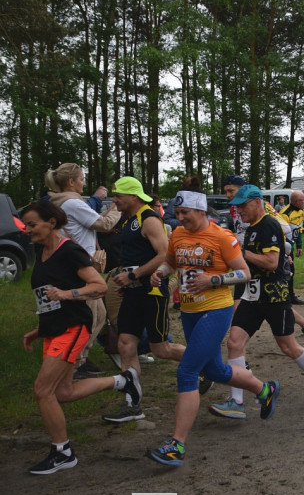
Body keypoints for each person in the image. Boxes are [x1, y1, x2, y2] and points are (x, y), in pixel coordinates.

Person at [145, 189, 280, 466]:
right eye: (178, 213)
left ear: (201, 212)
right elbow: (171, 261)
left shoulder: (222, 237)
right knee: (214, 370)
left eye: (186, 213)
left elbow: (244, 272)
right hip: (189, 309)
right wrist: (160, 273)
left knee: (187, 370)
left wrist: (213, 281)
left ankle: (176, 445)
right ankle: (264, 390)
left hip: (216, 309)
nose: (181, 218)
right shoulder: (179, 235)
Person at [20, 201, 141, 474]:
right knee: (63, 392)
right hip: (55, 328)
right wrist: (40, 328)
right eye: (25, 225)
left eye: (32, 224)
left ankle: (62, 451)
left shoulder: (70, 251)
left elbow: (98, 286)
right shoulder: (42, 251)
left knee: (42, 390)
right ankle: (123, 380)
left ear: (51, 222)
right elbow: (47, 296)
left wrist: (66, 294)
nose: (27, 230)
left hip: (73, 328)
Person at [208, 186, 304, 418]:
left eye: (243, 205)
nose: (239, 210)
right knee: (234, 343)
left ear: (257, 202)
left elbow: (272, 262)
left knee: (288, 346)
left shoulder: (269, 225)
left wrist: (241, 252)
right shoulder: (252, 227)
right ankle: (237, 401)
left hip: (274, 296)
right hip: (252, 296)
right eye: (237, 206)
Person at [102, 176, 186, 423]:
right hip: (134, 290)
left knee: (161, 349)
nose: (114, 200)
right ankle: (132, 403)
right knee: (125, 344)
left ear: (133, 196)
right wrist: (128, 282)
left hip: (152, 290)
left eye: (118, 196)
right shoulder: (129, 220)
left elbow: (164, 256)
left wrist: (133, 275)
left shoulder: (149, 219)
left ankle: (204, 365)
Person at [44, 163, 121, 379]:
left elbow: (91, 221)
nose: (83, 183)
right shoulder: (72, 203)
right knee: (90, 316)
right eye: (81, 179)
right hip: (79, 267)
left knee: (99, 315)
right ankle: (74, 365)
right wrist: (118, 207)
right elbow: (104, 224)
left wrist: (109, 209)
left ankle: (81, 360)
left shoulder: (62, 202)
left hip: (76, 264)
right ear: (71, 182)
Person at [278, 190, 304, 307]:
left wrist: (299, 245)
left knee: (291, 271)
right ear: (296, 201)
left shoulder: (301, 212)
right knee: (288, 271)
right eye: (303, 200)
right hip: (284, 246)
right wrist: (286, 252)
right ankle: (287, 296)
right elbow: (281, 233)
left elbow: (299, 229)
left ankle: (289, 295)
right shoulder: (285, 213)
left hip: (292, 245)